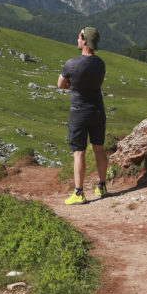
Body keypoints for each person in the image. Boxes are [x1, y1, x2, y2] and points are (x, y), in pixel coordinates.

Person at [57, 26, 108, 204]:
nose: (77, 39)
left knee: (79, 152)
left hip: (79, 113)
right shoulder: (101, 63)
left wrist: (73, 85)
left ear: (85, 40)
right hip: (98, 111)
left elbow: (60, 84)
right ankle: (102, 187)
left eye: (79, 37)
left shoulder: (72, 63)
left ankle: (79, 193)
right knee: (99, 149)